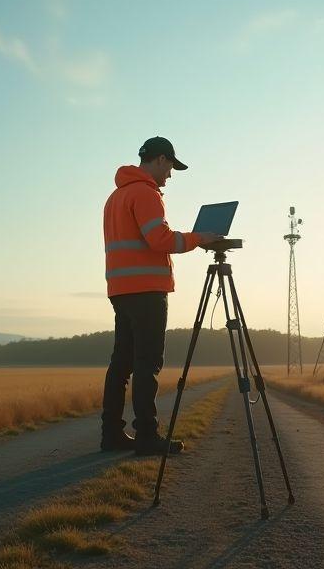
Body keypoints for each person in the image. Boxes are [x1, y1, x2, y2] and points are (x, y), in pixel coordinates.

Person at [101, 136, 222, 455]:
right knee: (147, 363)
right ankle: (147, 436)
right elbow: (160, 239)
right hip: (147, 291)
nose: (170, 174)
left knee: (121, 363)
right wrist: (199, 238)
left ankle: (111, 433)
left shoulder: (116, 196)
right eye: (170, 166)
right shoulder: (146, 194)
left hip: (120, 289)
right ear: (159, 160)